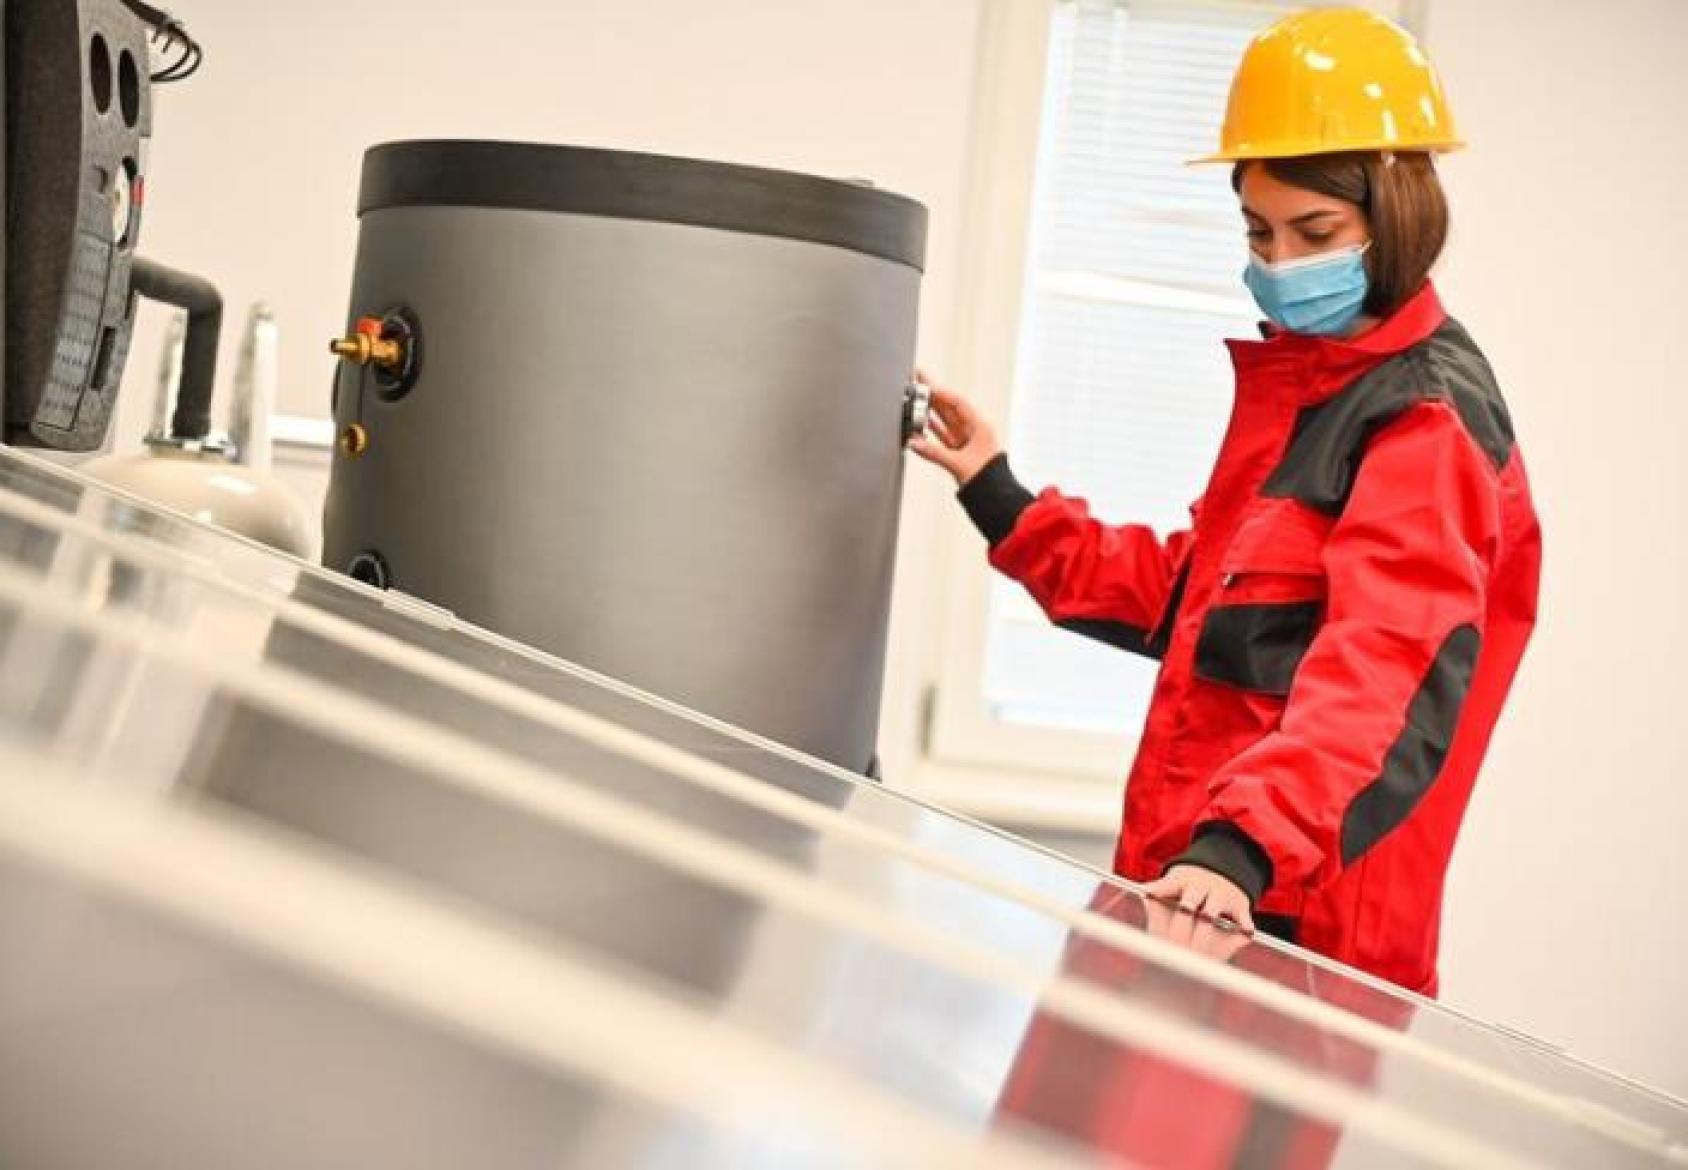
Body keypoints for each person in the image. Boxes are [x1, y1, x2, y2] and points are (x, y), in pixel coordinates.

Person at [913, 8, 1540, 995]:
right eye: (1258, 230)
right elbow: (1199, 600)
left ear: (1397, 212)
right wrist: (999, 494)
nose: (1281, 263)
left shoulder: (1425, 419)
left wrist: (1238, 850)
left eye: (1315, 232)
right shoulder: (1310, 385)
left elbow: (1379, 667)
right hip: (1201, 894)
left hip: (1288, 925)